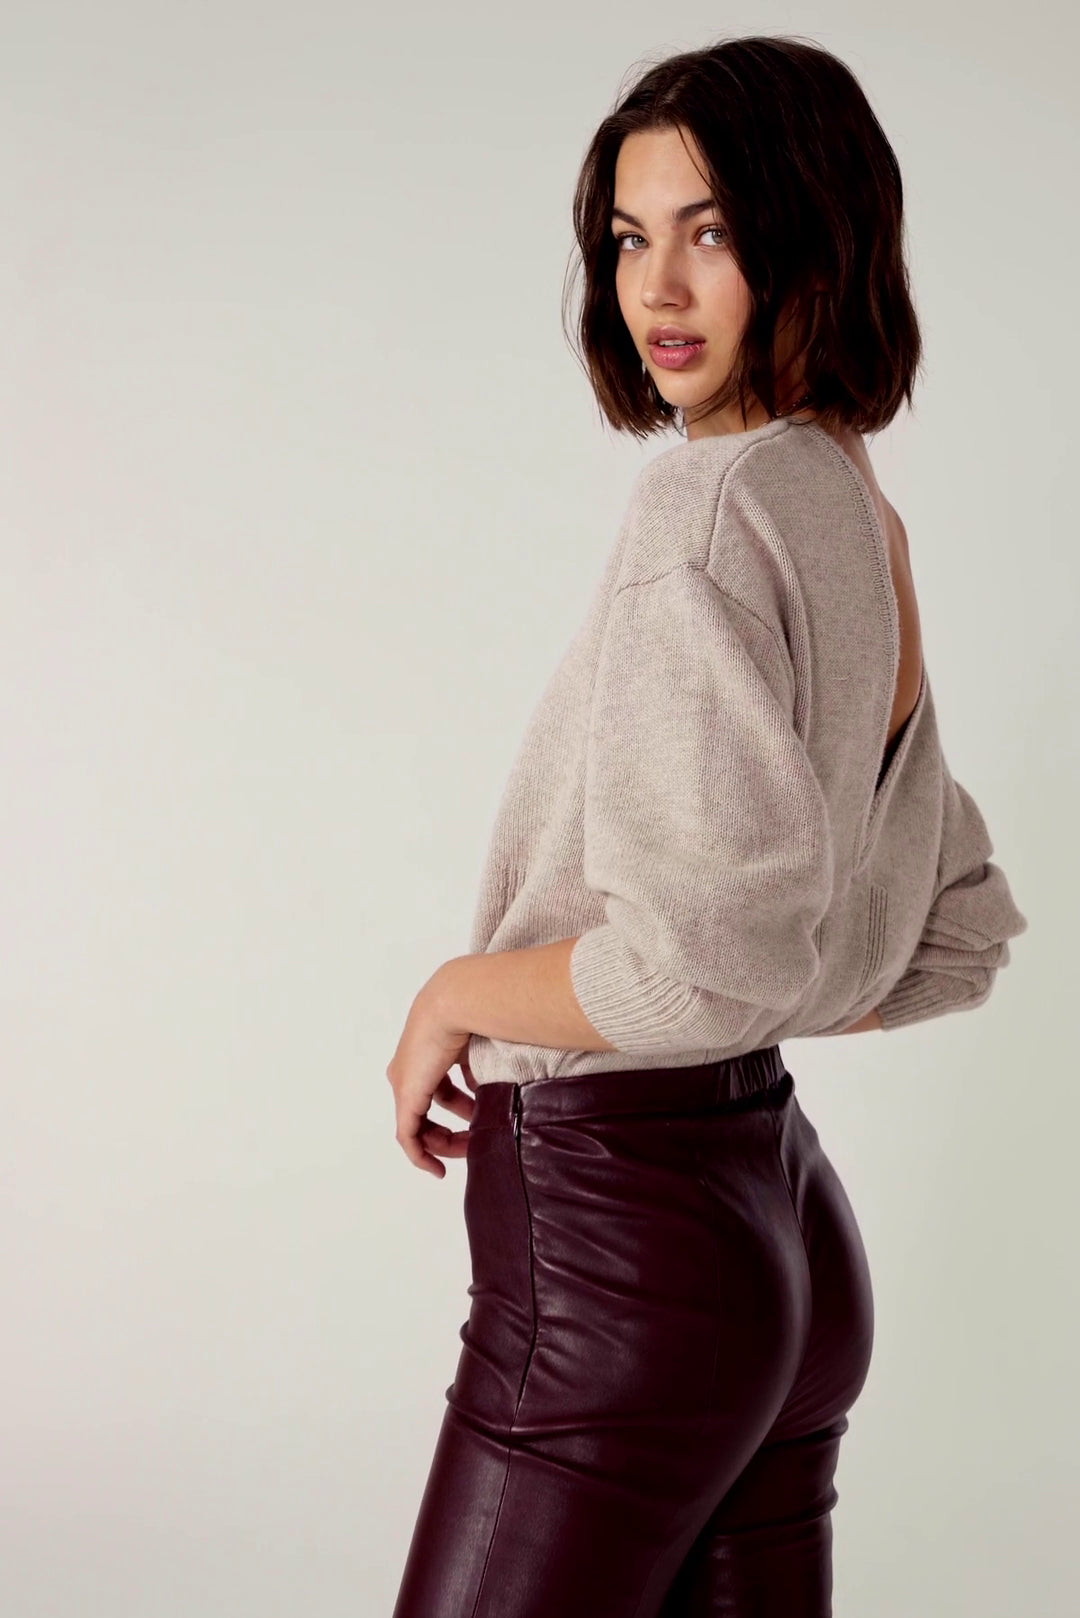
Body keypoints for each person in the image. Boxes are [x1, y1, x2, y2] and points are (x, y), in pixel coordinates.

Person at [386, 33, 1028, 1618]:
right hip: (781, 1234)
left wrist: (456, 993)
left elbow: (694, 970)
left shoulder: (709, 511)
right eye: (628, 237)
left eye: (713, 230)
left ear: (813, 236)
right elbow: (946, 929)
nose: (657, 287)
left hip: (619, 1259)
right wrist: (748, 986)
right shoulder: (850, 503)